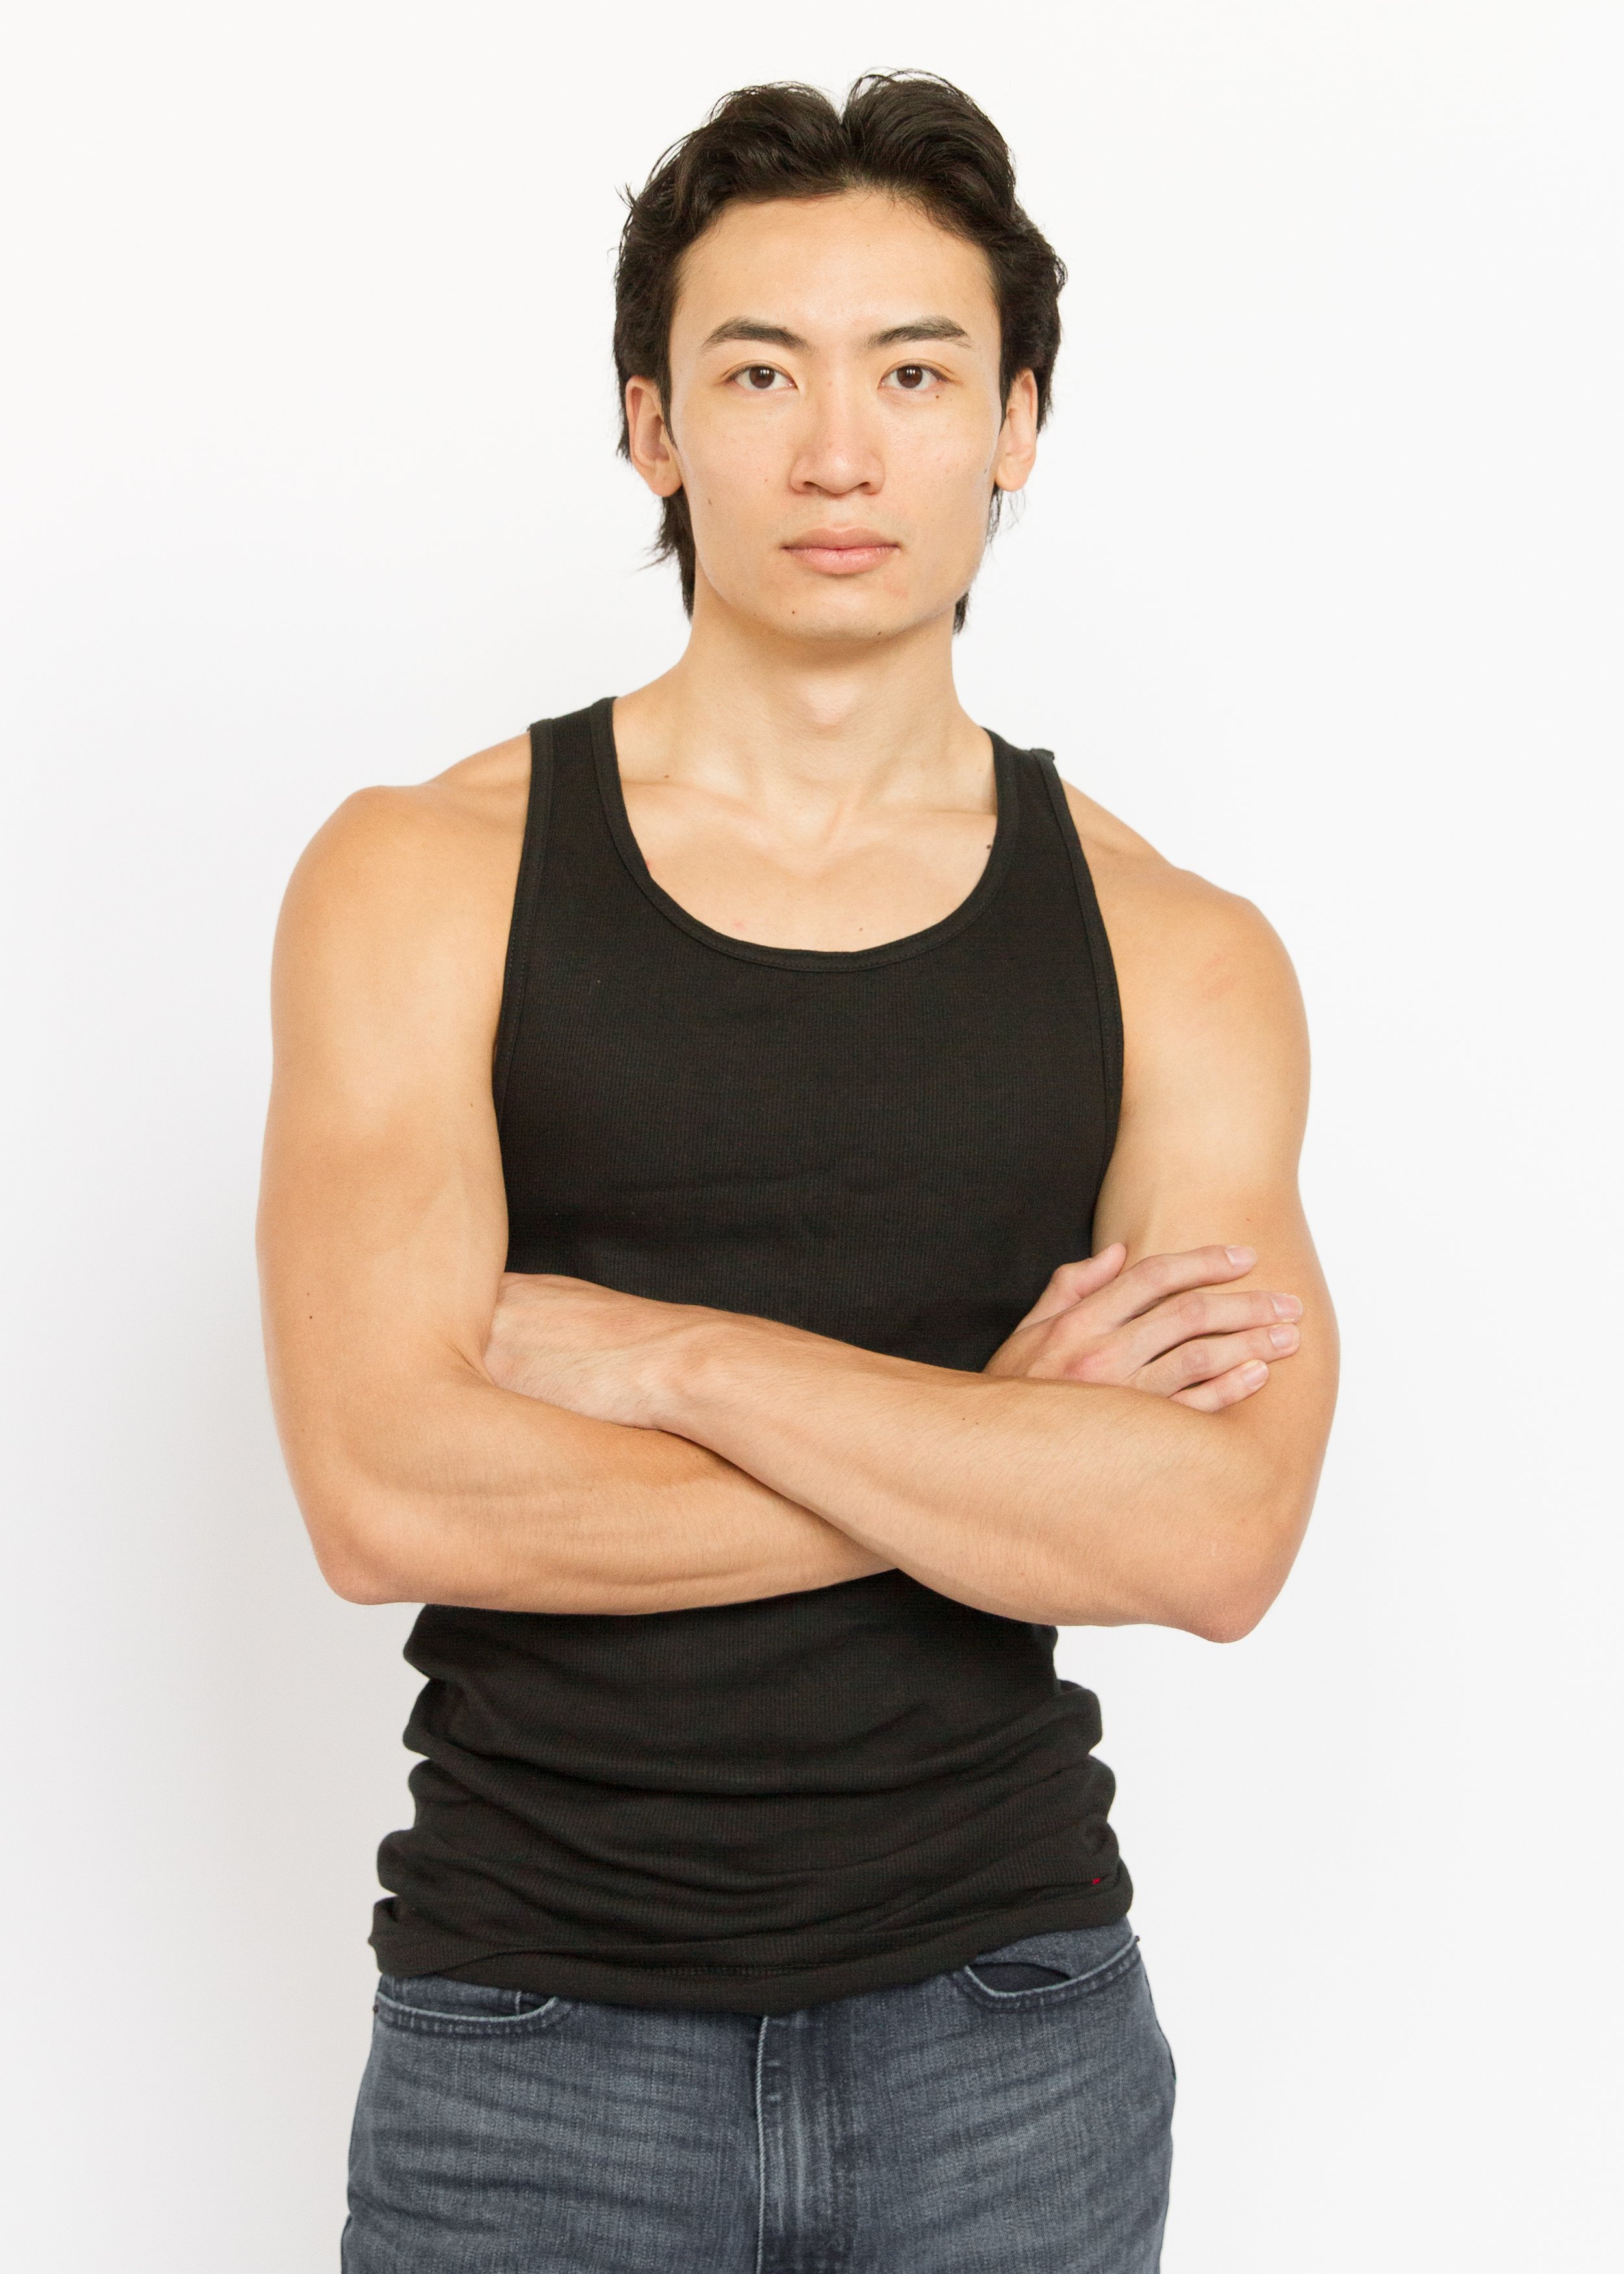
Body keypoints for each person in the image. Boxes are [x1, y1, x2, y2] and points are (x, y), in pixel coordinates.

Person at [258, 70, 1338, 2274]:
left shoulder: (1177, 951)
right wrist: (1007, 1458)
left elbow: (1216, 1536)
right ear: (651, 423)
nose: (837, 451)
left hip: (1005, 2028)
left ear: (1016, 420)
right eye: (758, 370)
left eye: (915, 372)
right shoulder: (422, 878)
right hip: (527, 2035)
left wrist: (665, 1358)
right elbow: (389, 1494)